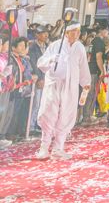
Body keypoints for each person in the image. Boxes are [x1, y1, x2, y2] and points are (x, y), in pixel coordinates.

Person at [35, 22, 91, 160]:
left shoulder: (80, 47)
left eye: (78, 31)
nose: (77, 34)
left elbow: (83, 66)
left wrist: (86, 83)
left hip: (70, 86)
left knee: (66, 114)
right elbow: (41, 63)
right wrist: (51, 59)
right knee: (49, 113)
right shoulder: (55, 45)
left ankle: (58, 148)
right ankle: (44, 147)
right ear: (66, 33)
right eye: (74, 31)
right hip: (54, 84)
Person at [2, 37, 35, 140]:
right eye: (20, 45)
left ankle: (13, 132)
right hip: (12, 88)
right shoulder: (10, 58)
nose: (23, 48)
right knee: (9, 112)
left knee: (17, 111)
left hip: (21, 89)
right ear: (13, 47)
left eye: (24, 46)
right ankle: (6, 134)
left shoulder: (22, 58)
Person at [80, 24, 109, 126]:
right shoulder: (99, 42)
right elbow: (98, 57)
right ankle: (87, 117)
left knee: (86, 93)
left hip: (87, 69)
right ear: (102, 31)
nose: (108, 33)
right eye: (107, 31)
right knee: (91, 93)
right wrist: (102, 71)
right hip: (93, 71)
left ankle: (84, 115)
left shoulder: (91, 40)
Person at [28, 25, 50, 134]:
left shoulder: (47, 46)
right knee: (35, 103)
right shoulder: (32, 47)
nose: (45, 35)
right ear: (37, 35)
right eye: (43, 33)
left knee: (42, 102)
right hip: (38, 79)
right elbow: (34, 63)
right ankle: (30, 126)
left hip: (47, 78)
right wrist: (40, 78)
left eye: (46, 33)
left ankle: (37, 124)